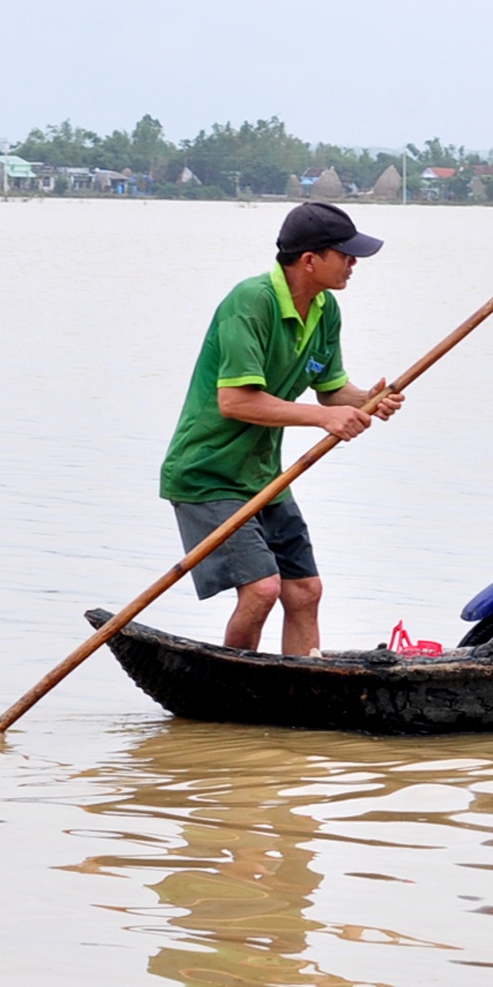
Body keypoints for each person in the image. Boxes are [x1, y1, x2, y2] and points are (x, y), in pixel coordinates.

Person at [158, 202, 404, 654]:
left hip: (263, 475)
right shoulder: (251, 303)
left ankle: (301, 684)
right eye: (344, 254)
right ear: (309, 260)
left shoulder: (325, 309)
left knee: (305, 590)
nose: (353, 264)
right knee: (263, 589)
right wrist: (324, 418)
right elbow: (235, 401)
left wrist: (367, 399)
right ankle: (233, 684)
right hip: (207, 474)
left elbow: (330, 389)